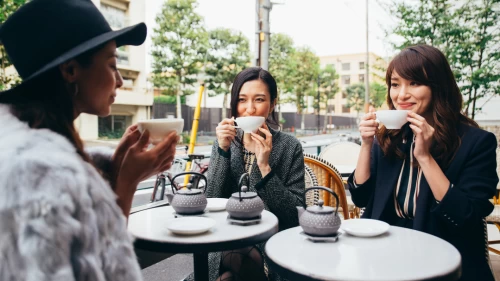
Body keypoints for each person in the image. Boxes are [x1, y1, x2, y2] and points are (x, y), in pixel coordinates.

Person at [0, 0, 178, 280]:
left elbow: (89, 255)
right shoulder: (37, 172)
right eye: (111, 65)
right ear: (70, 71)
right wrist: (128, 181)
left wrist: (117, 170)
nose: (119, 80)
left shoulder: (34, 146)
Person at [349, 44, 498, 281]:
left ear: (438, 87)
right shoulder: (390, 135)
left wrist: (426, 158)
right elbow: (361, 198)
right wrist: (366, 144)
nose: (401, 94)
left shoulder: (476, 142)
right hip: (384, 247)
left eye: (414, 83)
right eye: (395, 84)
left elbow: (466, 217)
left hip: (444, 249)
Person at [204, 67, 305, 281]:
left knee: (232, 271)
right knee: (233, 265)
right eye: (242, 100)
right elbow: (210, 200)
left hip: (270, 242)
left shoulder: (289, 147)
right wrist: (222, 150)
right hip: (226, 239)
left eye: (259, 99)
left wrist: (265, 167)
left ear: (272, 104)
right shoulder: (225, 143)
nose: (249, 109)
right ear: (234, 104)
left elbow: (294, 215)